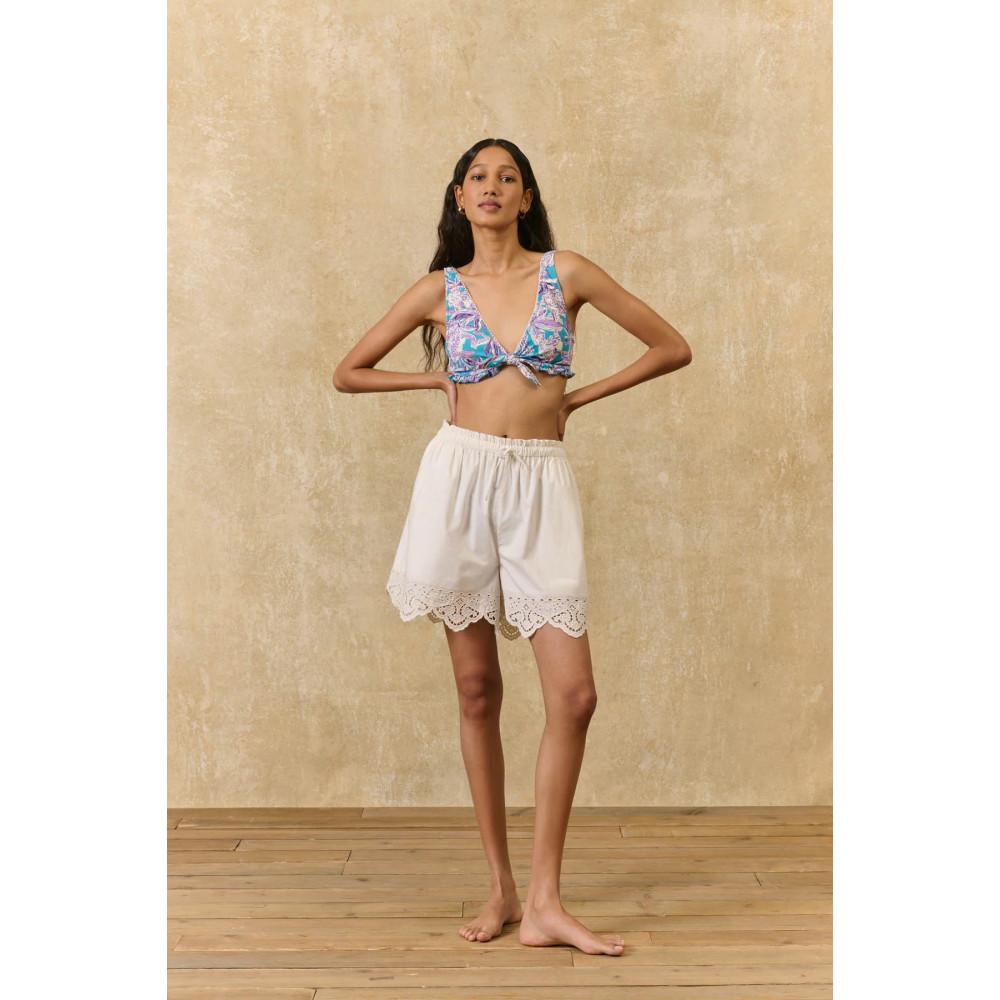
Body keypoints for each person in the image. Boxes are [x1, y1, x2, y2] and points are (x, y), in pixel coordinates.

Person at [333, 138, 692, 956]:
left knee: (575, 696)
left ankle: (545, 902)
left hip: (539, 482)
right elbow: (347, 371)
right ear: (459, 198)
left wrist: (579, 400)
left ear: (526, 197)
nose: (491, 187)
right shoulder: (440, 289)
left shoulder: (569, 274)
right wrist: (432, 380)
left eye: (507, 177)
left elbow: (671, 346)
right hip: (458, 479)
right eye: (477, 178)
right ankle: (501, 888)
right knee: (475, 689)